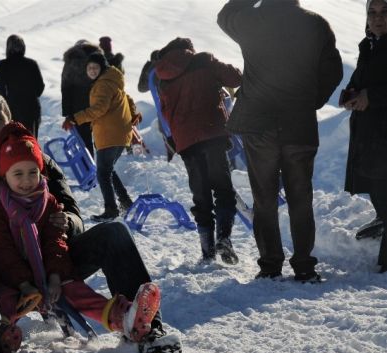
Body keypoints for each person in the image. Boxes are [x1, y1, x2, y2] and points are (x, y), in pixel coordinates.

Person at [0, 92, 162, 353]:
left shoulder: (40, 164)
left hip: (51, 260)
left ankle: (146, 330)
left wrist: (67, 222)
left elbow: (72, 213)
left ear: (9, 121)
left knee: (114, 232)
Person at [0, 121, 162, 353]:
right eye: (18, 174)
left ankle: (127, 319)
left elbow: (56, 242)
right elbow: (1, 250)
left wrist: (55, 276)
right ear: (4, 175)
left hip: (48, 271)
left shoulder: (48, 202)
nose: (26, 181)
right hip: (11, 278)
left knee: (76, 291)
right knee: (5, 300)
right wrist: (24, 284)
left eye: (33, 172)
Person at [218, 0, 343, 282]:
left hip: (259, 125)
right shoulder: (315, 24)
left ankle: (271, 265)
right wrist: (310, 100)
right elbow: (333, 71)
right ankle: (304, 266)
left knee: (264, 197)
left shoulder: (252, 20)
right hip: (299, 124)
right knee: (301, 196)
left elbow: (225, 16)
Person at [155, 37, 242, 264]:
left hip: (186, 141)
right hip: (212, 133)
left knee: (201, 194)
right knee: (223, 190)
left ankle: (207, 251)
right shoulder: (203, 60)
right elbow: (235, 78)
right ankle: (224, 238)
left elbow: (165, 112)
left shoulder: (162, 75)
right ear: (188, 49)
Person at [63, 52, 137, 221]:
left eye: (95, 67)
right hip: (120, 134)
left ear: (102, 68)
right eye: (89, 68)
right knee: (108, 170)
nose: (92, 71)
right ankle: (125, 201)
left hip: (110, 134)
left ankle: (111, 209)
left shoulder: (103, 84)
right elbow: (128, 99)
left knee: (103, 173)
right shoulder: (113, 80)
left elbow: (99, 109)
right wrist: (132, 115)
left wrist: (75, 118)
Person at [342, 0, 387, 274]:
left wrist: (373, 96)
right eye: (372, 12)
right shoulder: (368, 45)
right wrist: (351, 93)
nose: (378, 18)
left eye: (384, 12)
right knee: (377, 185)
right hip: (370, 132)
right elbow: (362, 81)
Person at [0, 34, 45, 137]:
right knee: (32, 141)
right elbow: (40, 87)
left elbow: (1, 89)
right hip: (32, 107)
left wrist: (5, 105)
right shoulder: (32, 63)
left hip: (12, 108)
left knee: (16, 140)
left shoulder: (3, 65)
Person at [61, 40, 102, 156]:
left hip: (78, 109)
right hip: (99, 106)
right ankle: (107, 168)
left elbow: (66, 88)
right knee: (103, 140)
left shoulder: (71, 61)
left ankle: (89, 167)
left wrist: (68, 114)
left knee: (84, 142)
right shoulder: (99, 59)